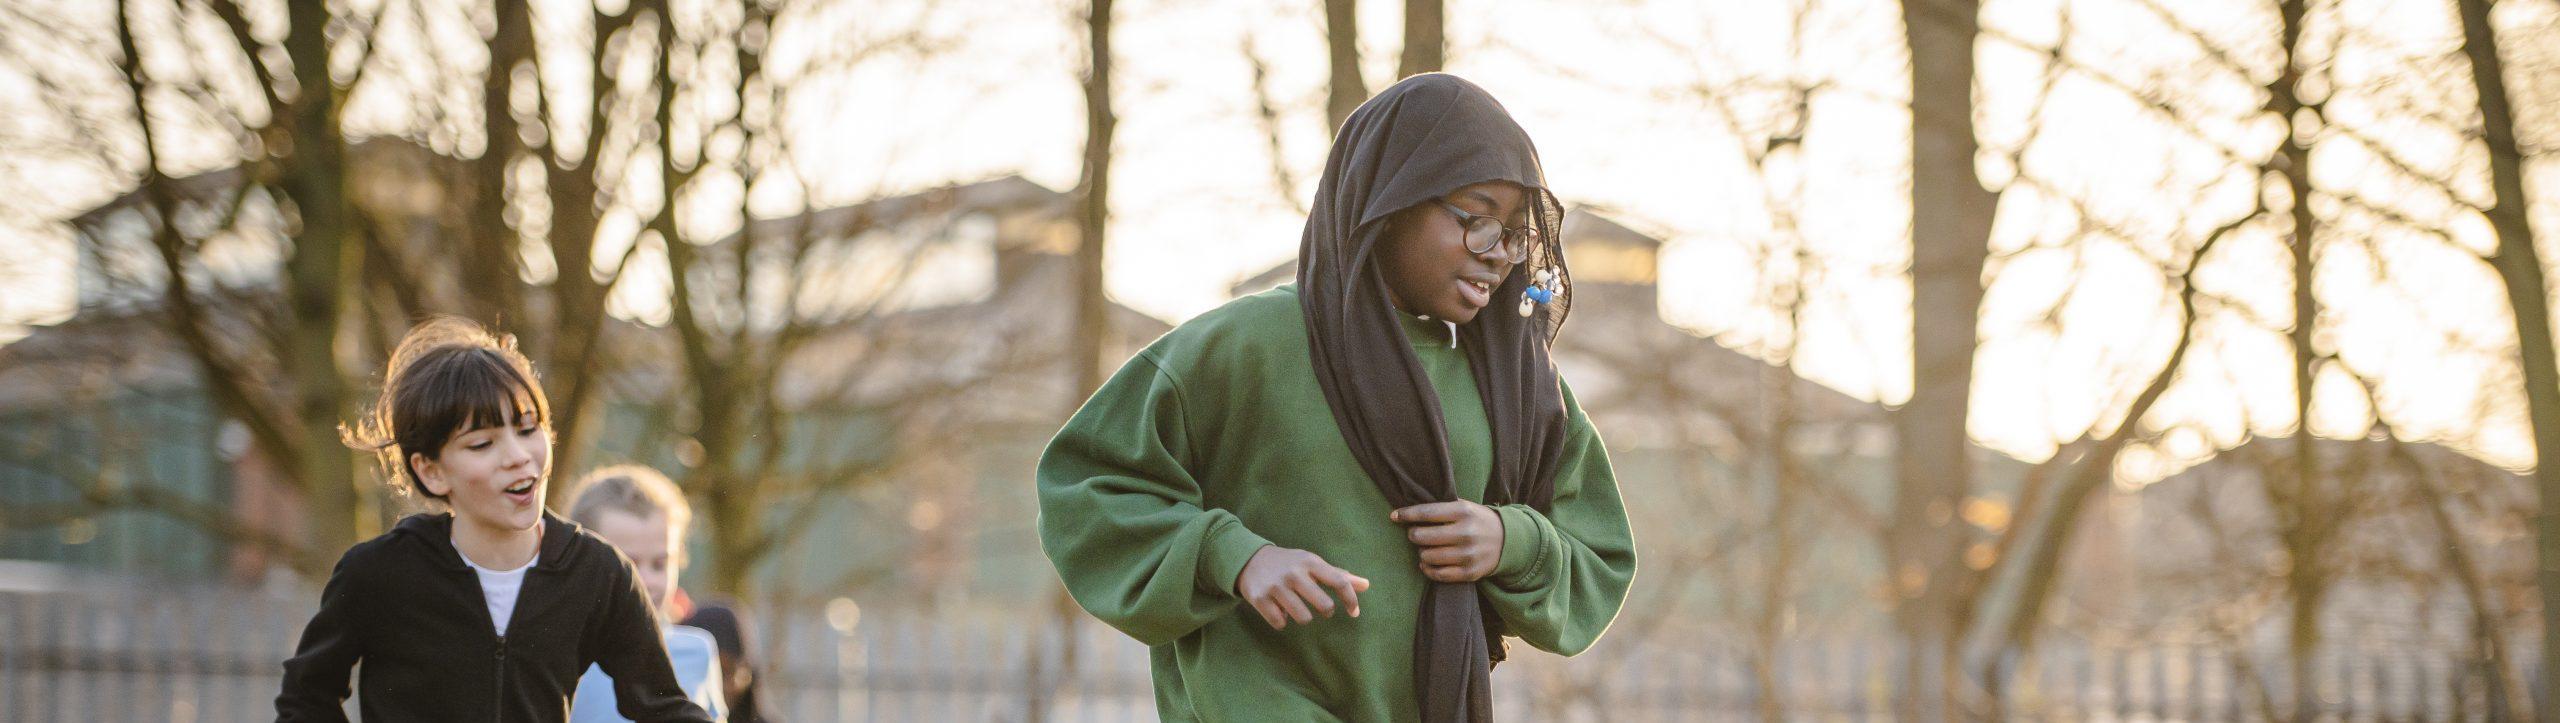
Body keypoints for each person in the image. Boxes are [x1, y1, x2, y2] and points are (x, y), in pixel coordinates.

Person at [1035, 73, 1638, 722]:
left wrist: (1509, 538)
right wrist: (1235, 557)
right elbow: (1086, 483)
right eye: (1476, 219)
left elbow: (1599, 559)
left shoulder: (1523, 389)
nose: (1500, 254)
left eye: (1516, 233)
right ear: (1390, 200)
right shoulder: (1247, 346)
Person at [276, 317, 712, 723]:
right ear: (431, 470)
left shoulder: (598, 573)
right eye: (483, 444)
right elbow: (305, 701)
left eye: (527, 429)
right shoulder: (378, 573)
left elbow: (664, 709)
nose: (518, 457)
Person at [563, 465, 728, 722]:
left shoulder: (698, 651)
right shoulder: (559, 656)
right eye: (627, 565)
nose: (646, 581)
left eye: (660, 564)